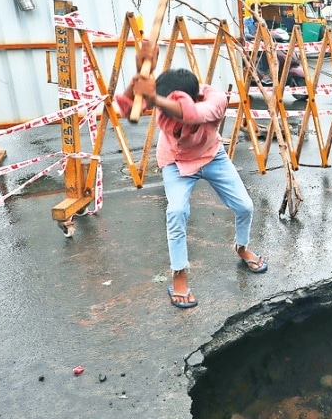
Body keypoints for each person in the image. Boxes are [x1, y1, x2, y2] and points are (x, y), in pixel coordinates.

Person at [114, 40, 267, 309]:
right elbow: (127, 110)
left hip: (211, 155)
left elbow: (192, 115)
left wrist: (154, 98)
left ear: (196, 95)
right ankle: (179, 275)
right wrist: (139, 78)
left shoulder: (214, 100)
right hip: (175, 161)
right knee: (176, 213)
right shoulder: (163, 101)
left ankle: (241, 247)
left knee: (244, 206)